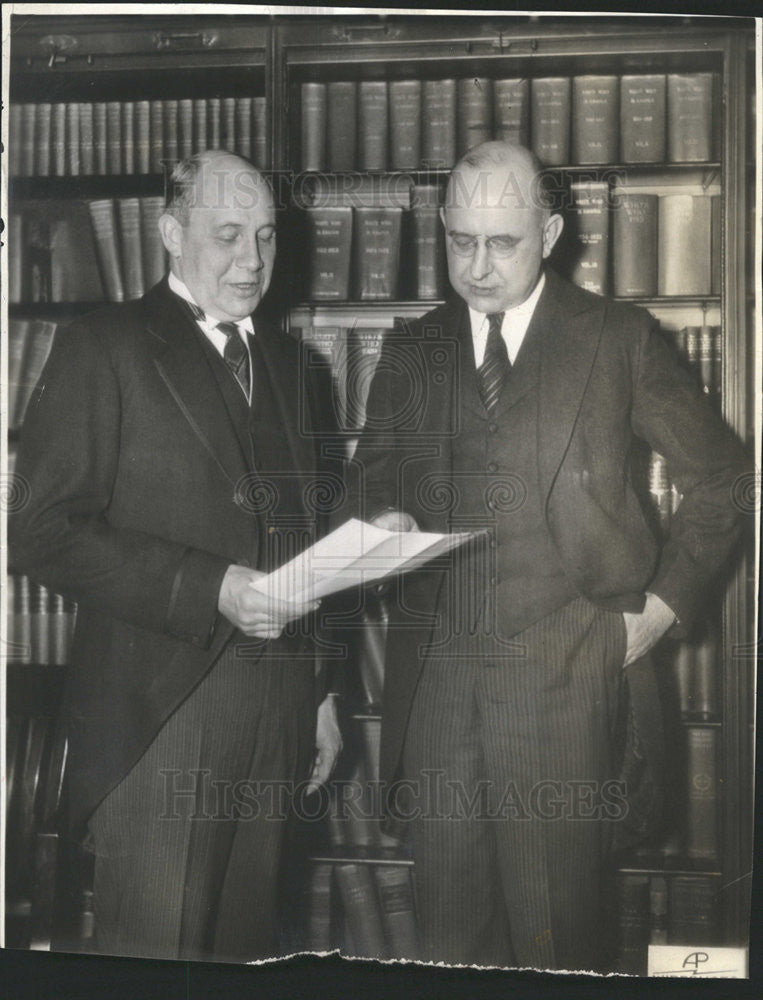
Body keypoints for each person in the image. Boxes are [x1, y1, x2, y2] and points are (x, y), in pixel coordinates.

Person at [350, 141, 748, 970]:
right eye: (460, 240)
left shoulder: (617, 338)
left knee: (559, 948)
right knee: (446, 952)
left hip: (571, 687)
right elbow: (371, 480)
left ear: (552, 232)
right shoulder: (411, 347)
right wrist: (381, 516)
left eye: (503, 243)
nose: (478, 265)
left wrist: (662, 608)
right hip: (437, 695)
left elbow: (722, 477)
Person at [10, 151, 343, 962]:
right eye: (227, 235)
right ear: (168, 233)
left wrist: (322, 691)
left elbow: (306, 543)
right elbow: (38, 530)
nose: (253, 260)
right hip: (157, 719)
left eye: (264, 236)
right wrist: (208, 586)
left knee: (245, 954)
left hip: (277, 719)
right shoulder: (105, 346)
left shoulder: (299, 372)